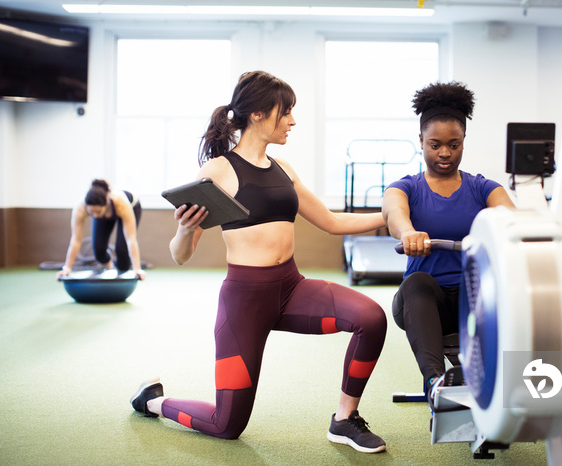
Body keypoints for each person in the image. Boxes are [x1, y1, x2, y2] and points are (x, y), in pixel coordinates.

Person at [129, 71, 388, 454]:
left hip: (292, 288)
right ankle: (152, 400)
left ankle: (344, 419)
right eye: (286, 113)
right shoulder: (219, 171)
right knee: (226, 425)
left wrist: (393, 217)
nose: (292, 121)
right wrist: (184, 230)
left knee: (372, 317)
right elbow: (180, 255)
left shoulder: (284, 170)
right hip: (244, 303)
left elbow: (333, 222)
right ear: (258, 115)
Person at [382, 81, 514, 406]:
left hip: (474, 298)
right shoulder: (406, 187)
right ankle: (435, 382)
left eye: (454, 145)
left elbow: (511, 219)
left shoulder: (483, 188)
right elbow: (394, 213)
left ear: (464, 142)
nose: (444, 153)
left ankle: (488, 380)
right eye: (435, 144)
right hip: (426, 303)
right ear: (421, 142)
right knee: (417, 282)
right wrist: (407, 233)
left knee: (495, 289)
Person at [57, 179, 145, 280]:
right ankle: (110, 269)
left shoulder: (121, 204)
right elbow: (76, 240)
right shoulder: (80, 209)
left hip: (131, 206)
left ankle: (122, 278)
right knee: (99, 250)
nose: (95, 215)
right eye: (91, 212)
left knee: (122, 249)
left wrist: (137, 269)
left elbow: (131, 239)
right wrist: (67, 268)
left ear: (106, 203)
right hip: (106, 211)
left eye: (97, 212)